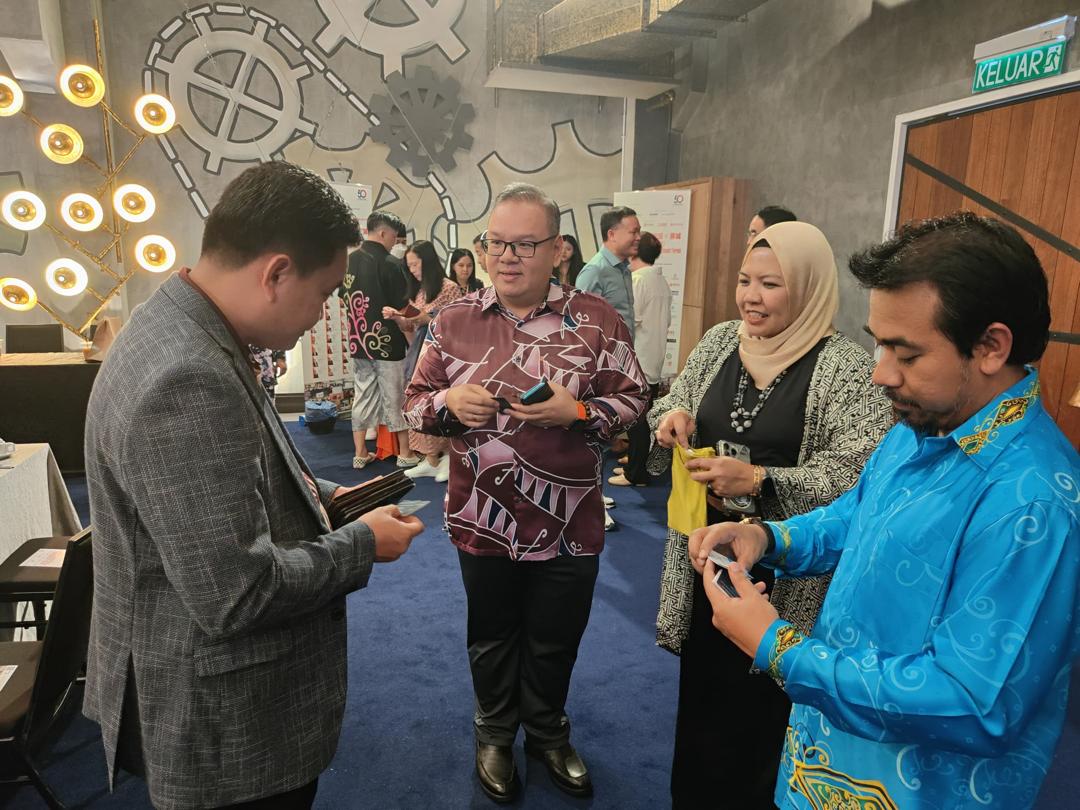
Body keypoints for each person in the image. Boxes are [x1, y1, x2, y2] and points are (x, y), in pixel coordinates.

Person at [692, 212, 1079, 810]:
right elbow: (859, 516)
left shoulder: (1033, 502)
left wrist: (780, 648)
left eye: (906, 352)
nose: (880, 373)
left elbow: (973, 705)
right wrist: (770, 539)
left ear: (990, 346)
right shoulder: (921, 424)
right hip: (825, 763)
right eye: (879, 342)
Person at [83, 161, 424, 810]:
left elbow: (225, 477)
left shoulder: (184, 324)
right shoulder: (188, 375)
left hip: (201, 685)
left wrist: (322, 496)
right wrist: (362, 543)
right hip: (223, 721)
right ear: (276, 273)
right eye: (323, 293)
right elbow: (236, 593)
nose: (322, 314)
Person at [404, 182, 649, 804]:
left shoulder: (597, 318)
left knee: (556, 635)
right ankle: (493, 733)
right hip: (482, 515)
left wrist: (579, 412)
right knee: (491, 635)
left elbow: (634, 399)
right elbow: (414, 403)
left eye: (524, 244)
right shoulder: (453, 320)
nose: (506, 257)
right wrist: (447, 402)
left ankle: (546, 731)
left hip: (571, 518)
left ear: (557, 248)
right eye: (496, 243)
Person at [648, 221, 893, 808]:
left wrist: (760, 480)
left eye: (770, 284)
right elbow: (675, 396)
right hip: (707, 557)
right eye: (744, 281)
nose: (750, 298)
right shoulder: (720, 341)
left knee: (764, 717)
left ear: (808, 289)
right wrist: (672, 416)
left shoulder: (845, 369)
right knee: (704, 701)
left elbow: (857, 476)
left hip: (787, 574)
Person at [340, 210, 419, 469]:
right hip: (388, 343)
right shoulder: (390, 263)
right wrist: (421, 318)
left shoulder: (349, 261)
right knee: (394, 396)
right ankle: (405, 453)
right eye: (394, 237)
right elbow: (403, 307)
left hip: (358, 342)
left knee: (362, 395)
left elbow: (344, 297)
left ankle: (360, 452)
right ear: (383, 233)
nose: (395, 242)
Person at [384, 239, 463, 480]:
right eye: (409, 266)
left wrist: (424, 318)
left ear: (427, 262)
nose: (412, 270)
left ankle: (449, 458)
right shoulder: (419, 291)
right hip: (420, 353)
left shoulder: (449, 288)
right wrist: (398, 317)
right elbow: (411, 325)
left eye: (415, 264)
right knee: (422, 402)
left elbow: (455, 324)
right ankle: (430, 458)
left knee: (442, 403)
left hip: (444, 355)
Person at [610, 231, 671, 488]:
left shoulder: (638, 280)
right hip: (653, 358)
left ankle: (636, 474)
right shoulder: (660, 281)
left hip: (639, 359)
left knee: (638, 421)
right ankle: (636, 463)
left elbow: (628, 321)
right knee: (643, 418)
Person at [575, 206, 641, 338]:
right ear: (611, 235)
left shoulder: (624, 269)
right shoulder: (594, 272)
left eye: (639, 232)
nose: (639, 237)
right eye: (634, 232)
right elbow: (582, 326)